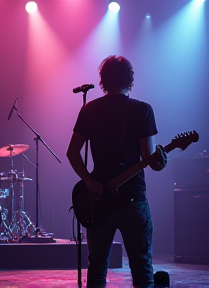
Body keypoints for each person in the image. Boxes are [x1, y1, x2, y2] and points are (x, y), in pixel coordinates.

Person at [67, 55, 167, 287]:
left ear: (102, 80)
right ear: (129, 79)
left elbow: (72, 152)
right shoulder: (143, 110)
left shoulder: (89, 109)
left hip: (99, 200)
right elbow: (151, 161)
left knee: (97, 269)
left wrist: (88, 180)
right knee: (142, 270)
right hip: (134, 201)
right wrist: (161, 161)